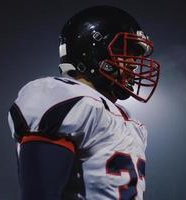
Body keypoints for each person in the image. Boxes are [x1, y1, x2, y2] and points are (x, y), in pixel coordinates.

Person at [8, 5, 160, 200]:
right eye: (127, 51)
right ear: (93, 50)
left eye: (136, 55)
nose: (133, 62)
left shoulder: (129, 122)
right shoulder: (66, 98)